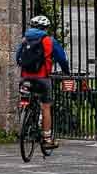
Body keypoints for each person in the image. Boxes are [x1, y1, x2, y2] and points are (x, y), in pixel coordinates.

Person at [15, 15, 69, 149]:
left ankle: (24, 121)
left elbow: (17, 57)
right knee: (46, 106)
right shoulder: (49, 41)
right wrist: (66, 72)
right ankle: (46, 139)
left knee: (25, 98)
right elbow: (62, 59)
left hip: (25, 78)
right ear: (46, 28)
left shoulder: (24, 40)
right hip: (42, 78)